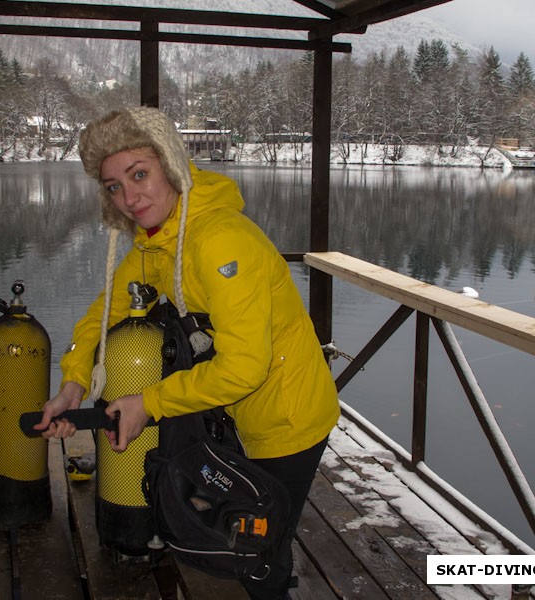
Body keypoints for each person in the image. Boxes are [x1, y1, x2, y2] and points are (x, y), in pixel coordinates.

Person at [35, 106, 340, 600]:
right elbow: (103, 313)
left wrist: (148, 403)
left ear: (172, 166)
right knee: (239, 529)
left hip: (288, 417)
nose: (129, 198)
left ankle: (272, 582)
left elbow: (244, 367)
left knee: (260, 548)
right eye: (113, 186)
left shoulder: (218, 241)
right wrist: (73, 381)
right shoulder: (159, 242)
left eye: (139, 174)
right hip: (234, 412)